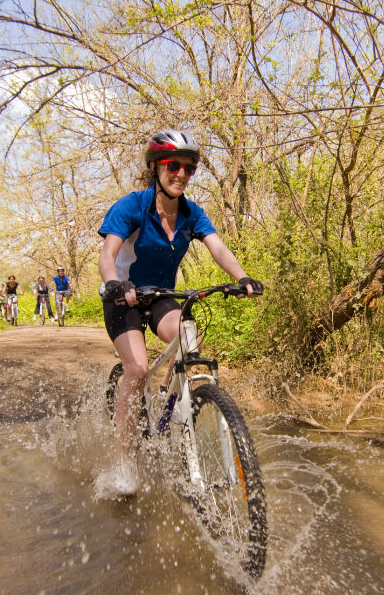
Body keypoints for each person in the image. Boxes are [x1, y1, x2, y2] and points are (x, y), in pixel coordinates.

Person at [96, 128, 264, 498]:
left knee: (190, 339)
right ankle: (121, 463)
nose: (181, 175)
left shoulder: (192, 214)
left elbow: (217, 247)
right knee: (137, 368)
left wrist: (242, 277)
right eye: (173, 166)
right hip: (122, 296)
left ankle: (169, 401)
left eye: (190, 169)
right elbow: (108, 256)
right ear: (156, 167)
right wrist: (114, 284)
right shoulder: (133, 206)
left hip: (159, 296)